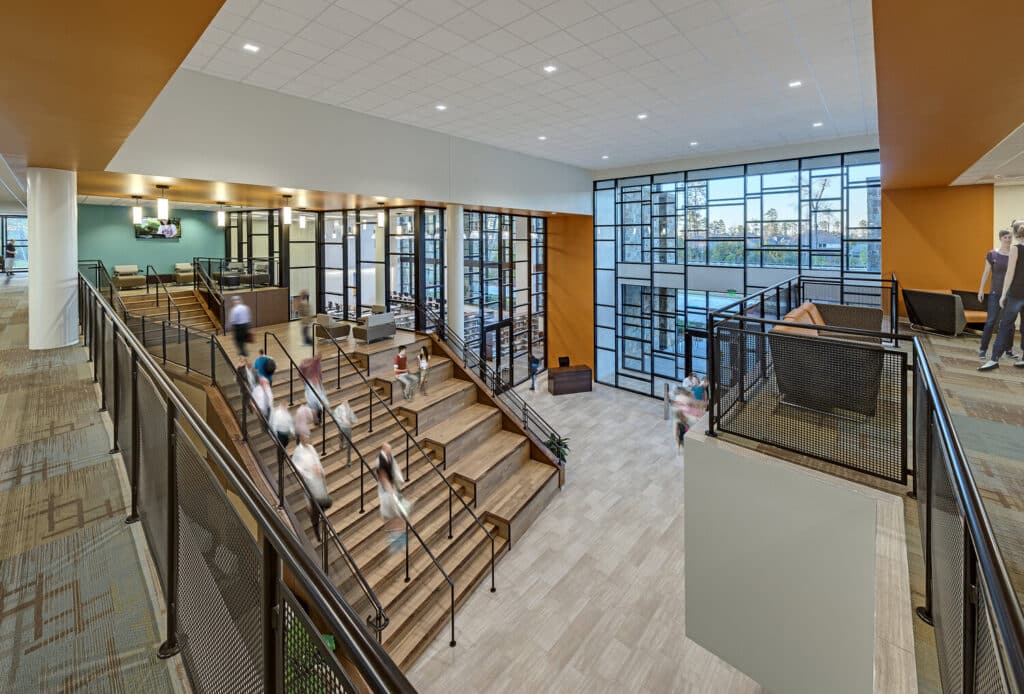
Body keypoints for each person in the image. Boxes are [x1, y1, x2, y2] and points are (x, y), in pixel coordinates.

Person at [980, 223, 1024, 371]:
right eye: (1006, 236)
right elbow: (991, 272)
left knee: (1006, 325)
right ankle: (984, 349)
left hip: (1014, 294)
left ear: (1016, 235)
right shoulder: (998, 253)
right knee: (995, 322)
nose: (1009, 238)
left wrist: (1005, 294)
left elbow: (1011, 274)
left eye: (1011, 235)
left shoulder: (1015, 250)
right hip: (1007, 293)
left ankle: (1000, 355)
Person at [292, 439, 332, 541]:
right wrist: (308, 472)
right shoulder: (298, 451)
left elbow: (317, 460)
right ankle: (317, 534)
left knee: (325, 504)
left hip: (318, 483)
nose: (307, 439)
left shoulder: (311, 448)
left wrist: (320, 470)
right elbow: (296, 467)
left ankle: (315, 514)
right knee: (315, 515)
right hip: (309, 484)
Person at [377, 442, 411, 553]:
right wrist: (390, 490)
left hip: (392, 489)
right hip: (387, 492)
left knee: (398, 514)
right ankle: (396, 539)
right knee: (395, 513)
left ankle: (397, 538)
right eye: (388, 449)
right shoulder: (380, 461)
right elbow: (383, 477)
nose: (389, 451)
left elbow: (393, 471)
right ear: (384, 449)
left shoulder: (389, 457)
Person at [300, 354, 326, 425]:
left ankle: (318, 417)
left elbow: (320, 374)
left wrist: (320, 382)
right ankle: (315, 417)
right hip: (311, 385)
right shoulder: (308, 364)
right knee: (314, 402)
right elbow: (302, 370)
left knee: (319, 402)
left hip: (317, 385)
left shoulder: (318, 365)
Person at [333, 399, 358, 467]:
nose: (346, 404)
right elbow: (335, 416)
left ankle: (348, 461)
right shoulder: (339, 408)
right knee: (341, 436)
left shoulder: (349, 409)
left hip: (348, 428)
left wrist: (351, 421)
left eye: (347, 403)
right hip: (341, 427)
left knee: (349, 444)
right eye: (345, 403)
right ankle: (341, 444)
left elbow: (354, 419)